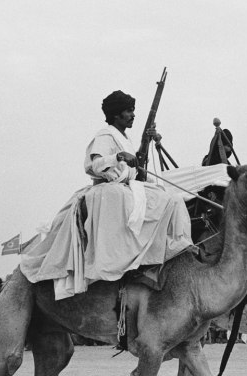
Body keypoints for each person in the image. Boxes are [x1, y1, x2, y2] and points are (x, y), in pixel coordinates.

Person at [21, 90, 193, 299]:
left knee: (172, 198)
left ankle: (172, 250)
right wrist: (118, 156)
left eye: (133, 111)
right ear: (116, 115)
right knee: (148, 201)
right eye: (128, 111)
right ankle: (130, 263)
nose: (133, 115)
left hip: (128, 186)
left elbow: (133, 166)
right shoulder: (105, 135)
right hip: (108, 189)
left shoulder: (124, 137)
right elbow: (96, 164)